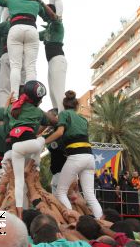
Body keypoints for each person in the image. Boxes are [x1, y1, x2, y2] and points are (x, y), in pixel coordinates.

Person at [0, 0, 55, 99]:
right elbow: (50, 17)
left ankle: (14, 97)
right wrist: (39, 0)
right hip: (32, 30)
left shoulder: (11, 0)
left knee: (15, 66)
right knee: (31, 67)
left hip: (15, 29)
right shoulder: (35, 3)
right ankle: (33, 97)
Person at [44, 90, 103, 219]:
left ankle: (73, 219)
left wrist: (43, 141)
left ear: (64, 106)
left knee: (61, 192)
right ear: (76, 106)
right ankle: (100, 221)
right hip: (89, 157)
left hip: (76, 157)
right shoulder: (83, 118)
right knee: (90, 195)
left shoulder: (64, 114)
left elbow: (59, 133)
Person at [9, 80, 47, 218]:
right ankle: (33, 164)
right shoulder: (37, 112)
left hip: (15, 148)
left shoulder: (11, 108)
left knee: (19, 182)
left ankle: (19, 214)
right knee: (42, 140)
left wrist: (8, 104)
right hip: (29, 145)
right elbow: (50, 121)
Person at [39, 4, 67, 111]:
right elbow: (33, 35)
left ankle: (63, 120)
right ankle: (57, 119)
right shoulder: (48, 29)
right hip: (51, 62)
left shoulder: (57, 24)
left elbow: (54, 17)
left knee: (58, 92)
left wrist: (40, 2)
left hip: (58, 59)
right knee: (52, 93)